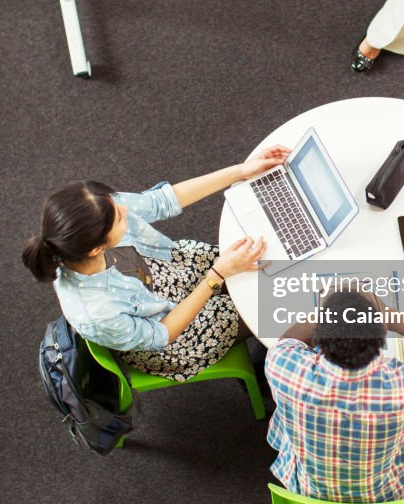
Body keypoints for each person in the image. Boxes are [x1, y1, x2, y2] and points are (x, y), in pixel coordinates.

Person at [22, 147, 290, 381]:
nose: (125, 209)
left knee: (271, 265)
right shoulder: (96, 313)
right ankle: (271, 363)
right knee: (280, 303)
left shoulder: (97, 212)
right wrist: (217, 275)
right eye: (119, 219)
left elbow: (163, 201)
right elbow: (163, 333)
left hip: (175, 271)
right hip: (179, 335)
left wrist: (241, 171)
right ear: (95, 248)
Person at [265, 287, 404, 502]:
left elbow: (288, 339)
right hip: (390, 491)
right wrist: (392, 317)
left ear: (318, 336)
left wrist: (325, 316)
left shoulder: (284, 366)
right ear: (382, 337)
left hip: (306, 488)